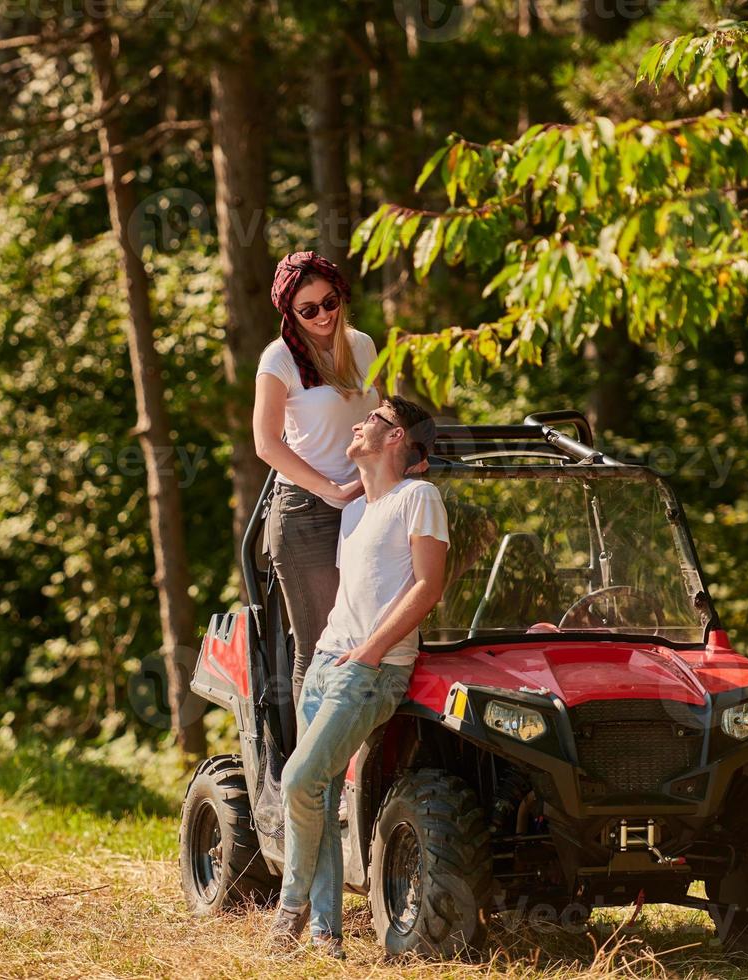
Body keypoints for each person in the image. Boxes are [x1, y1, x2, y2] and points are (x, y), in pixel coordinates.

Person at [268, 396, 449, 959]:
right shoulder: (353, 510)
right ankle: (326, 935)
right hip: (327, 660)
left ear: (397, 438)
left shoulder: (419, 498)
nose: (359, 422)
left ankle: (290, 907)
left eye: (373, 418)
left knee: (299, 781)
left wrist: (370, 651)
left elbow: (428, 586)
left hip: (373, 669)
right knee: (316, 793)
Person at [254, 251, 380, 707]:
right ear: (290, 313)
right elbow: (266, 444)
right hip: (308, 513)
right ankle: (307, 770)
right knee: (323, 643)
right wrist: (331, 491)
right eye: (309, 310)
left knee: (375, 637)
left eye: (330, 302)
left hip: (368, 506)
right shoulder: (280, 359)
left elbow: (379, 418)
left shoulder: (361, 345)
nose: (323, 315)